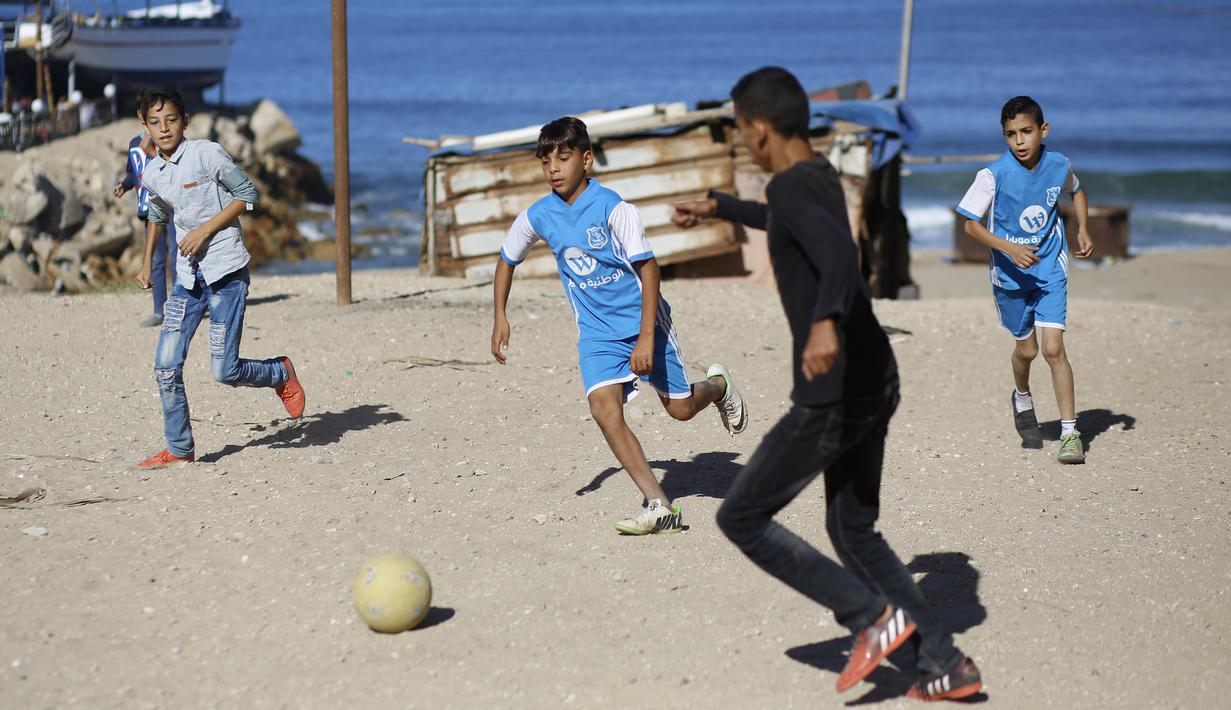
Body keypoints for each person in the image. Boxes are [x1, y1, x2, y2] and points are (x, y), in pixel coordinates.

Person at [672, 67, 981, 700]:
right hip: (875, 380)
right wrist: (722, 208)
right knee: (853, 529)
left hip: (834, 391)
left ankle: (869, 618)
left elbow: (842, 257)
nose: (738, 135)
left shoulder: (792, 188)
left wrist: (822, 324)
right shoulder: (815, 179)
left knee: (743, 516)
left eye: (738, 125)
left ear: (758, 128)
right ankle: (945, 664)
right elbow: (796, 225)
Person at [490, 116, 748, 535]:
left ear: (586, 160)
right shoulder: (537, 216)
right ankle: (658, 504)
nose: (553, 168)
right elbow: (506, 260)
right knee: (603, 409)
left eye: (564, 158)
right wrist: (500, 314)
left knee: (680, 410)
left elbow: (649, 272)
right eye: (546, 161)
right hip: (597, 333)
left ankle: (718, 387)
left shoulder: (615, 209)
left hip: (645, 322)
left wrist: (646, 338)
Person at [133, 86, 305, 470]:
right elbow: (158, 217)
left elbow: (247, 195)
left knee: (224, 371)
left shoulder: (206, 154)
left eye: (172, 120)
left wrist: (204, 231)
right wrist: (147, 263)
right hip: (187, 281)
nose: (165, 129)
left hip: (226, 273)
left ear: (185, 122)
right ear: (144, 126)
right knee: (165, 366)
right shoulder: (152, 173)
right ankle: (179, 448)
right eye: (155, 122)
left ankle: (280, 372)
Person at [955, 96, 1093, 463]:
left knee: (1052, 349)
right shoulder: (992, 176)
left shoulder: (1059, 164)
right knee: (1027, 351)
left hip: (1050, 267)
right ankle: (1021, 393)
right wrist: (1008, 249)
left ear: (1042, 130)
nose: (1019, 141)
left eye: (1026, 132)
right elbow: (970, 225)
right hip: (1010, 276)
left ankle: (1069, 433)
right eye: (1010, 134)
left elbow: (1077, 190)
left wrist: (1081, 229)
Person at [115, 118, 177, 327]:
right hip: (148, 209)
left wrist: (152, 149)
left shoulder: (167, 141)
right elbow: (134, 172)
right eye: (145, 123)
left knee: (178, 257)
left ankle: (181, 306)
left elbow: (175, 169)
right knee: (156, 260)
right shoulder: (134, 144)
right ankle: (159, 310)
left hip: (171, 207)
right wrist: (124, 185)